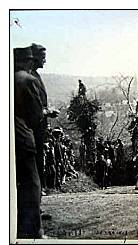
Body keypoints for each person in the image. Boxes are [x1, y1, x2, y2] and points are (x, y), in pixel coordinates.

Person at [14, 47, 44, 238]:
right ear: (28, 61)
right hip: (23, 137)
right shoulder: (28, 80)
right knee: (31, 183)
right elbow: (35, 115)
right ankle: (33, 231)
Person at [30, 43, 59, 196]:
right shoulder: (30, 77)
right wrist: (48, 111)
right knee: (35, 161)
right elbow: (32, 105)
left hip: (39, 125)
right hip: (33, 126)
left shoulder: (36, 75)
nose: (45, 61)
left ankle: (37, 197)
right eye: (42, 58)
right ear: (33, 58)